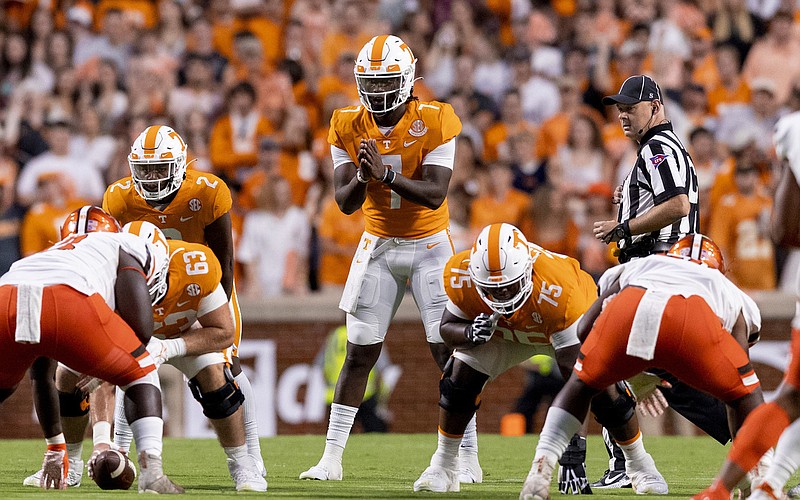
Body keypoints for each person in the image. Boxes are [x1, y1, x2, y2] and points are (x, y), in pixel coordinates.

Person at [299, 34, 472, 483]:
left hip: (431, 244)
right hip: (378, 243)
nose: (376, 92)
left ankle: (465, 456)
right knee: (358, 354)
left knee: (447, 354)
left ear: (408, 79)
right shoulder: (346, 123)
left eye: (385, 81)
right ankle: (332, 458)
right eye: (369, 82)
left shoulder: (435, 119)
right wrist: (363, 175)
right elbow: (344, 202)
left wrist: (386, 175)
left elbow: (435, 194)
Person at [412, 223, 666, 494]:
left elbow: (577, 379)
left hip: (556, 326)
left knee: (603, 392)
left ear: (528, 269)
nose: (503, 295)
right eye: (493, 289)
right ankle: (444, 464)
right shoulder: (461, 271)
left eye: (509, 286)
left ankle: (640, 465)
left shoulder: (561, 289)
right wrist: (470, 332)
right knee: (458, 377)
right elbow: (447, 328)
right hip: (503, 331)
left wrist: (573, 453)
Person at [520, 234, 764, 500]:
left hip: (630, 308)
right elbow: (739, 373)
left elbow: (583, 329)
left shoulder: (641, 265)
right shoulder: (725, 287)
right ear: (717, 267)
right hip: (691, 321)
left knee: (580, 383)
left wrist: (621, 369)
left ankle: (539, 472)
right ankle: (759, 479)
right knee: (745, 394)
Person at [102, 125, 265, 477]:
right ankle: (118, 452)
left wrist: (210, 302)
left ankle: (252, 454)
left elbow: (223, 261)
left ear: (180, 165)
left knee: (228, 367)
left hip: (200, 285)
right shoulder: (118, 197)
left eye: (161, 168)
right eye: (145, 169)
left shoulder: (207, 192)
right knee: (125, 368)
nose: (153, 177)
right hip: (144, 292)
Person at [592, 74, 728, 489]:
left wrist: (624, 226)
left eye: (630, 108)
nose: (623, 116)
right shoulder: (658, 150)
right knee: (628, 365)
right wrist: (631, 198)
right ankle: (628, 459)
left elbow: (676, 204)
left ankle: (762, 440)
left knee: (609, 357)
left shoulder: (657, 148)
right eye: (619, 110)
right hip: (661, 273)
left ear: (654, 105)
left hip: (661, 272)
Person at [0, 214, 183, 493]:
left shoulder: (52, 254)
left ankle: (63, 454)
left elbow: (40, 377)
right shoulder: (130, 245)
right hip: (68, 296)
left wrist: (55, 447)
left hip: (6, 293)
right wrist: (108, 367)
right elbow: (141, 332)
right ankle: (152, 473)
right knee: (142, 369)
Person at [693, 111, 800, 500]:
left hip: (773, 289)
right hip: (742, 291)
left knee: (786, 393)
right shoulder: (730, 204)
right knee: (779, 393)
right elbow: (722, 252)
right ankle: (762, 481)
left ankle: (755, 483)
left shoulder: (787, 146)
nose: (748, 178)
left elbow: (785, 234)